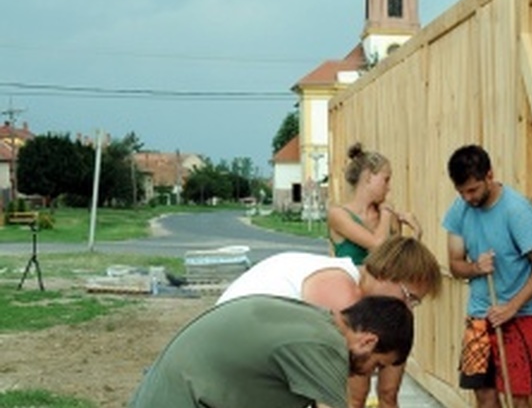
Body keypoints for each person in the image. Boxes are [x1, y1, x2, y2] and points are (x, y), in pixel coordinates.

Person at [216, 236, 442, 408]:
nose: (406, 308)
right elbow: (338, 394)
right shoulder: (343, 297)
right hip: (230, 360)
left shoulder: (348, 280)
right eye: (409, 297)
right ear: (389, 273)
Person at [129, 294, 413, 408]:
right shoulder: (326, 344)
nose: (370, 373)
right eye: (377, 365)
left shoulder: (317, 320)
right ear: (367, 342)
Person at [442, 144, 532, 408]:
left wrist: (511, 307)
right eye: (461, 192)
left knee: (518, 398)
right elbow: (455, 264)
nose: (468, 198)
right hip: (479, 316)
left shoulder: (517, 212)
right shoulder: (459, 209)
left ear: (489, 175)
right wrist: (475, 268)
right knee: (483, 395)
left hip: (521, 315)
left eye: (473, 190)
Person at [327, 142, 424, 406]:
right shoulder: (339, 215)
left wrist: (415, 236)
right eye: (386, 179)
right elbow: (378, 246)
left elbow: (400, 265)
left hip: (392, 316)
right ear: (369, 177)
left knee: (389, 394)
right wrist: (387, 214)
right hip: (358, 318)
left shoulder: (387, 217)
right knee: (356, 397)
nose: (389, 187)